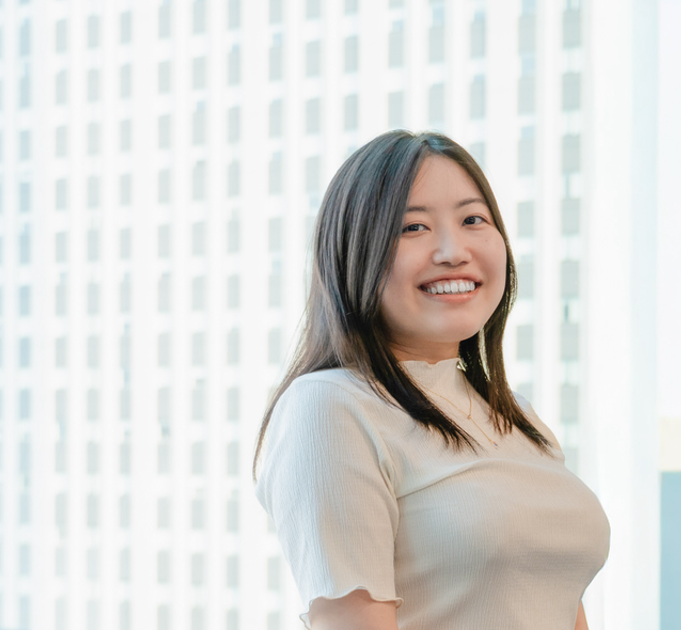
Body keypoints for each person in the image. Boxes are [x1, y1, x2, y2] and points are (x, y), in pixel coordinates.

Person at [253, 130, 611, 630]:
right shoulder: (330, 408)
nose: (452, 251)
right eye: (413, 227)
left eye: (473, 220)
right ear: (354, 253)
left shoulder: (518, 418)